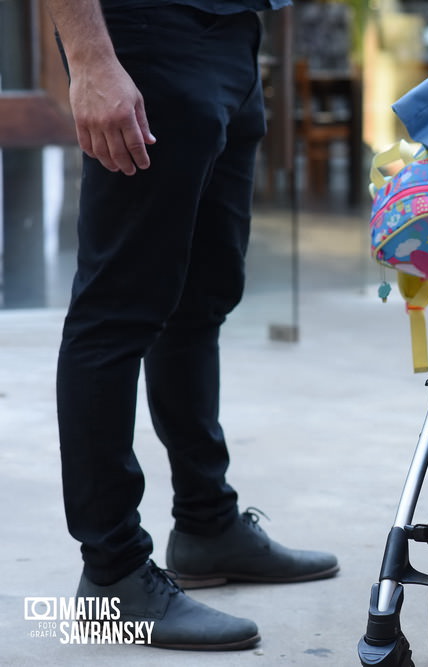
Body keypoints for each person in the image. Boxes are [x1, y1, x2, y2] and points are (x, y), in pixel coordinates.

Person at [43, 0, 338, 651]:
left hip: (234, 33)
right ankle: (112, 573)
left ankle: (207, 524)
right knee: (118, 308)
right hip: (146, 31)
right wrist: (92, 58)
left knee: (200, 300)